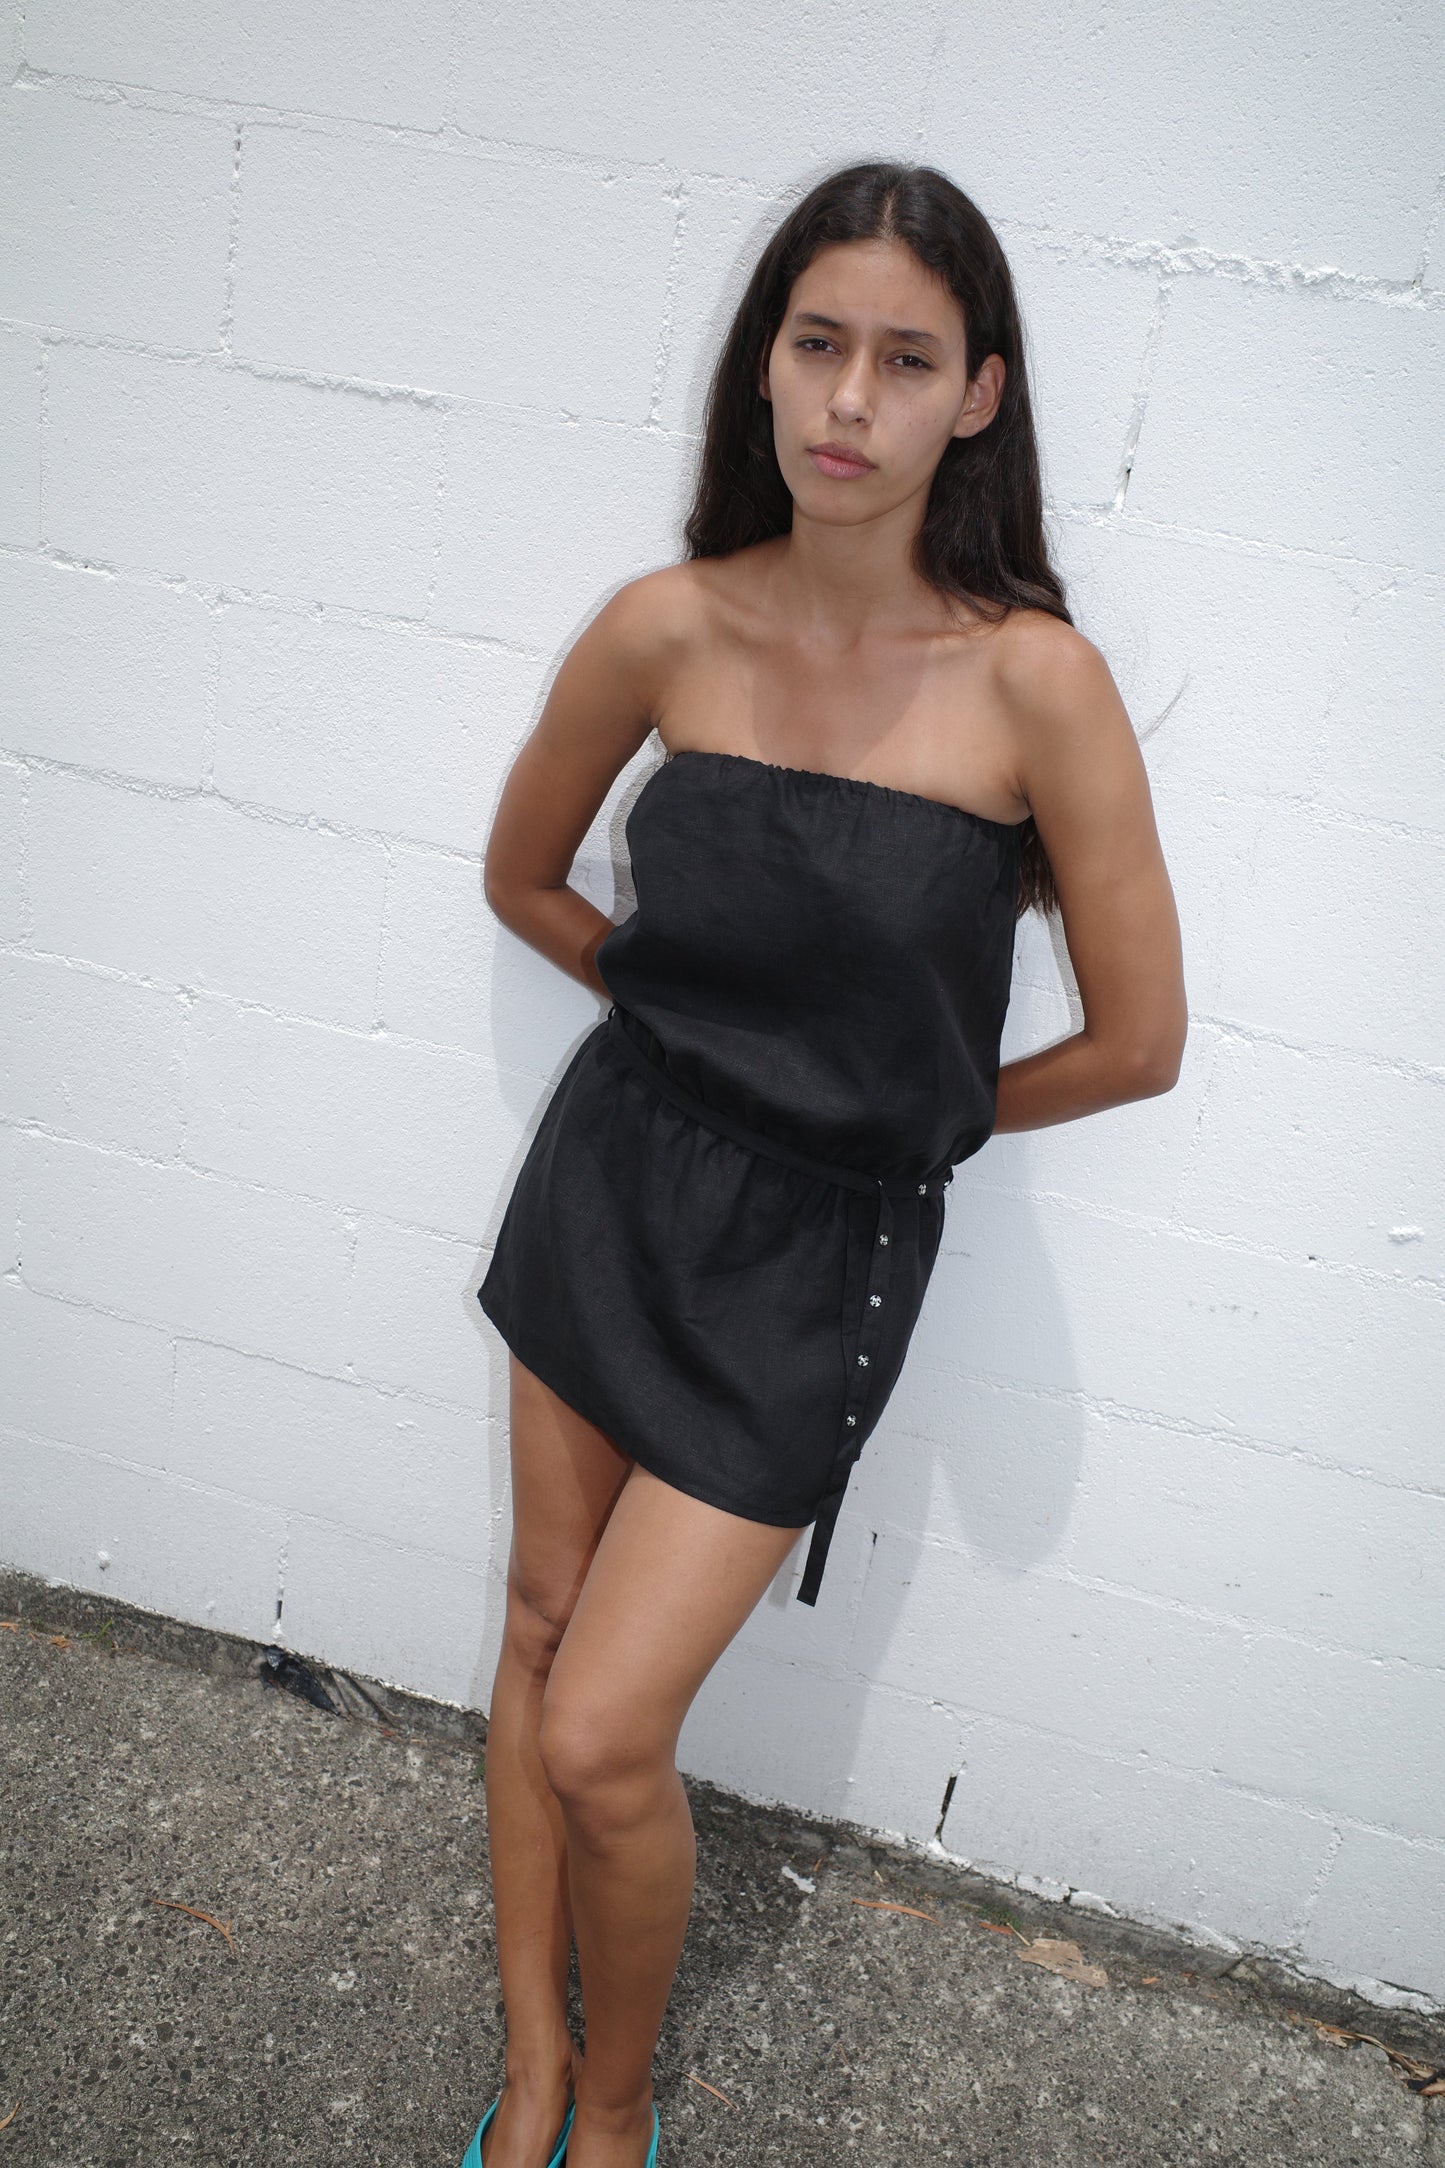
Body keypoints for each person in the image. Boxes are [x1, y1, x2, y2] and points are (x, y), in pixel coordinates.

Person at [463, 160, 1187, 2168]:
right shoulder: (665, 627)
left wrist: (912, 1113)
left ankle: (617, 2114)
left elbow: (1138, 1043)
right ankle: (528, 2066)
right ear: (763, 365)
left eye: (905, 357)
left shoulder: (1035, 681)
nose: (848, 400)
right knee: (533, 1629)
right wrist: (679, 1020)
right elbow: (523, 875)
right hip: (614, 1186)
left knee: (606, 1729)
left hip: (817, 1260)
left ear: (980, 395)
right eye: (816, 344)